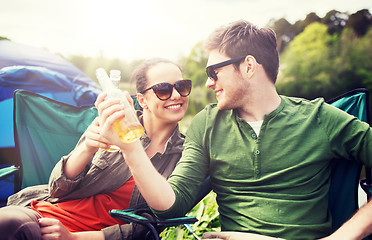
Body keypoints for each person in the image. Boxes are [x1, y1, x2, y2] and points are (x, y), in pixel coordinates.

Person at [96, 20, 372, 240]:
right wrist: (130, 148)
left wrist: (344, 236)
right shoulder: (207, 123)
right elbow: (170, 205)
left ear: (248, 66)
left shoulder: (319, 118)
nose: (208, 84)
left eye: (214, 72)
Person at [0, 58, 192, 240]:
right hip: (44, 217)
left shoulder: (186, 157)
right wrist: (87, 147)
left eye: (182, 87)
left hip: (82, 235)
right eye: (163, 89)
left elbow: (150, 226)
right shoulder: (112, 124)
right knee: (9, 223)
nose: (176, 95)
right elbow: (57, 189)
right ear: (142, 100)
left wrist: (73, 237)